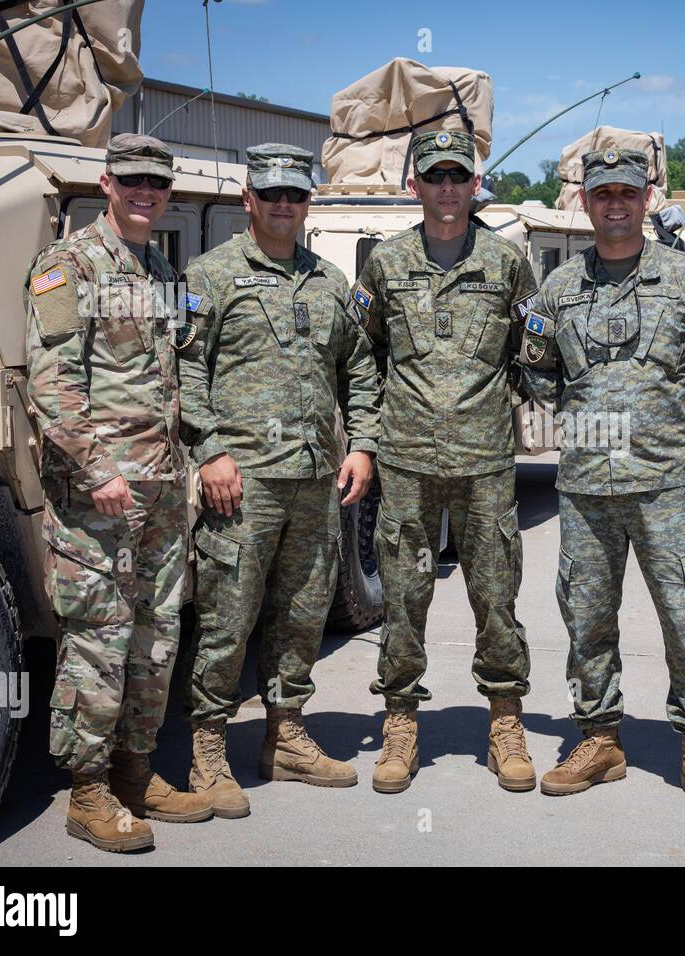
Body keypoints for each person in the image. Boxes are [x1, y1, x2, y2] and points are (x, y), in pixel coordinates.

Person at [519, 147, 685, 811]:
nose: (615, 203)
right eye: (602, 192)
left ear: (648, 197)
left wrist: (668, 431)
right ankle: (599, 737)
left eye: (628, 191)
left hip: (665, 484)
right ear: (582, 202)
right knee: (586, 615)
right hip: (586, 490)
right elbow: (537, 376)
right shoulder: (557, 290)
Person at [178, 143, 380, 817]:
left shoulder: (327, 282)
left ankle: (286, 736)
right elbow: (184, 372)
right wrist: (209, 452)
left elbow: (359, 370)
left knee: (301, 613)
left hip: (316, 479)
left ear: (307, 202)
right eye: (272, 194)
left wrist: (363, 446)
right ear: (249, 199)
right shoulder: (209, 275)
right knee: (227, 616)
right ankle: (208, 751)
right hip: (242, 485)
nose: (284, 204)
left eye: (296, 194)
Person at [26, 133, 213, 853]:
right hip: (99, 495)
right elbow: (52, 382)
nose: (145, 191)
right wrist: (97, 469)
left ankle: (136, 773)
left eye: (157, 183)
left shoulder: (160, 264)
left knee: (157, 635)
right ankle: (88, 791)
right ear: (105, 182)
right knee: (98, 639)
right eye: (132, 179)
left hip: (163, 490)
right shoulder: (68, 265)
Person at [349, 129, 538, 794]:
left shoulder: (507, 262)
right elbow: (362, 356)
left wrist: (497, 405)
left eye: (460, 176)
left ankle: (506, 723)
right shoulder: (385, 263)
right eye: (436, 176)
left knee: (497, 595)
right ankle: (400, 723)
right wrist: (366, 440)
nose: (449, 188)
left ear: (475, 184)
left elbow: (531, 351)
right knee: (403, 596)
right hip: (407, 462)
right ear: (416, 187)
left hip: (486, 463)